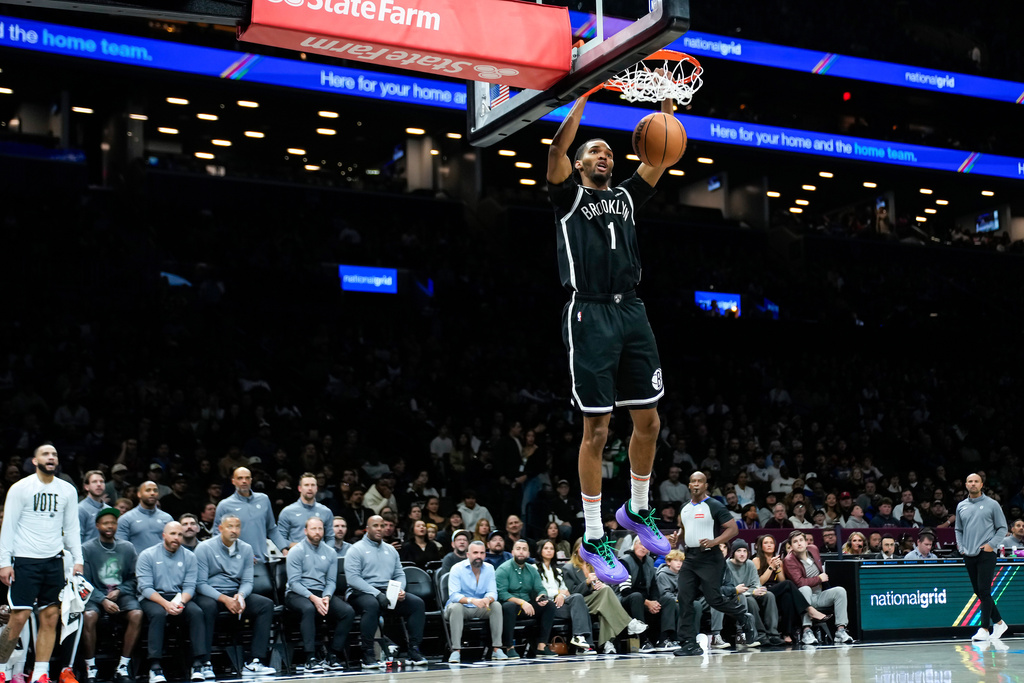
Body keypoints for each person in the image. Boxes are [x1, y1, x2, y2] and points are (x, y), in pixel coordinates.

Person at [546, 91, 678, 583]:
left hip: (632, 310)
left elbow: (658, 159)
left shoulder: (623, 197)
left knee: (649, 421)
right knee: (597, 431)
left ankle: (637, 510)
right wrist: (580, 98)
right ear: (581, 163)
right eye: (596, 152)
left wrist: (665, 114)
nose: (605, 156)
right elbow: (556, 152)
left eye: (610, 152)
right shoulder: (567, 196)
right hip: (590, 314)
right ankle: (596, 535)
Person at [0, 444, 83, 683]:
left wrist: (78, 559)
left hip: (54, 560)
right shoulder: (20, 488)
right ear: (35, 461)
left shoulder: (67, 490)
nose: (51, 457)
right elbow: (8, 527)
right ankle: (1, 666)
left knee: (51, 616)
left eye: (55, 454)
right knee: (19, 617)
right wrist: (4, 562)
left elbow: (72, 529)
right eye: (46, 454)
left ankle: (40, 673)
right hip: (25, 560)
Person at [673, 472, 752, 656]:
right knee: (684, 598)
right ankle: (689, 643)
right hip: (690, 557)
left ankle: (742, 615)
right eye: (693, 481)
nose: (696, 484)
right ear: (689, 485)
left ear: (706, 485)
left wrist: (715, 541)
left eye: (700, 481)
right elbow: (685, 530)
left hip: (710, 557)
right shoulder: (684, 508)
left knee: (713, 599)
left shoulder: (714, 505)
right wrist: (676, 539)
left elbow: (733, 529)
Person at [194, 514, 276, 677]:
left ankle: (255, 662)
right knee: (207, 608)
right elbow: (200, 584)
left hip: (235, 592)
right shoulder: (204, 548)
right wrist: (224, 599)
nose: (234, 530)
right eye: (230, 526)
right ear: (220, 528)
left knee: (266, 605)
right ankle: (205, 663)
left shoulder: (246, 548)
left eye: (237, 527)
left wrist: (241, 595)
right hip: (211, 593)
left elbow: (247, 581)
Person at [344, 516, 427, 668]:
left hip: (387, 592)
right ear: (367, 529)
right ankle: (368, 654)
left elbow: (399, 573)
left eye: (382, 526)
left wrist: (400, 589)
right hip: (361, 592)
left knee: (417, 604)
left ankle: (413, 650)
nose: (379, 529)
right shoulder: (355, 549)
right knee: (372, 605)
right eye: (375, 525)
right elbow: (353, 579)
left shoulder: (391, 550)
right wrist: (377, 594)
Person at [135, 521, 208, 683]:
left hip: (179, 597)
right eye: (173, 534)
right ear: (164, 536)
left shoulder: (190, 556)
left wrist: (180, 602)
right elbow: (145, 588)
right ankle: (155, 666)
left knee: (196, 612)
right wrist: (166, 604)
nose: (177, 538)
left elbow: (190, 586)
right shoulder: (147, 555)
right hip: (153, 597)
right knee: (158, 614)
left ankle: (197, 664)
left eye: (180, 534)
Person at [285, 517, 354, 673]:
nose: (317, 532)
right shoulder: (296, 551)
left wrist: (327, 597)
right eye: (313, 529)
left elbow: (330, 581)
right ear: (305, 531)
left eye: (320, 529)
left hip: (322, 593)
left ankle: (332, 655)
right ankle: (310, 658)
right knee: (308, 609)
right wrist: (314, 599)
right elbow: (294, 582)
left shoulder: (330, 552)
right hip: (296, 593)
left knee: (347, 612)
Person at [81, 507, 142, 683]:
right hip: (94, 595)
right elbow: (83, 582)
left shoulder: (127, 547)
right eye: (106, 523)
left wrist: (120, 590)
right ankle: (90, 667)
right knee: (89, 616)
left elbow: (134, 579)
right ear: (97, 525)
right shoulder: (87, 548)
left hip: (120, 594)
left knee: (137, 614)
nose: (110, 526)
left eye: (113, 523)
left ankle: (123, 666)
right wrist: (102, 600)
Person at [214, 467, 288, 598]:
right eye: (240, 478)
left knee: (267, 601)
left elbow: (271, 528)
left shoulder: (263, 499)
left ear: (251, 480)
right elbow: (217, 537)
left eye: (247, 478)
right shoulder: (224, 505)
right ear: (233, 481)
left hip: (262, 561)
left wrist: (284, 548)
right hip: (236, 564)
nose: (244, 481)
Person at [564, 538, 646, 654]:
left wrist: (600, 585)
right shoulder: (568, 568)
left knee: (605, 598)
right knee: (605, 596)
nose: (585, 551)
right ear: (576, 550)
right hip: (581, 602)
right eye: (582, 548)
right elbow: (573, 593)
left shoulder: (595, 565)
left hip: (599, 600)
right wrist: (587, 583)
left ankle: (608, 644)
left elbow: (608, 584)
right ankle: (628, 623)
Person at [956, 472, 1009, 641]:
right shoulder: (961, 506)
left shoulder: (992, 504)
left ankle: (985, 628)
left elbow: (1002, 528)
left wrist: (991, 545)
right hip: (968, 553)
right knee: (978, 591)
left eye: (976, 481)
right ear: (966, 485)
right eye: (970, 481)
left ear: (981, 485)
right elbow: (958, 529)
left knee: (984, 591)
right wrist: (961, 547)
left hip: (986, 553)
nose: (973, 484)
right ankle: (1000, 623)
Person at [782, 530, 854, 645]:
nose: (799, 543)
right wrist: (819, 579)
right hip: (801, 600)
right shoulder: (789, 560)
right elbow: (800, 582)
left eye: (801, 540)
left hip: (819, 596)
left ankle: (840, 630)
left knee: (840, 591)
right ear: (790, 546)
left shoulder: (813, 549)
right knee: (805, 588)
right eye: (795, 542)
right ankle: (807, 630)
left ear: (806, 542)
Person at [752, 534, 826, 644]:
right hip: (762, 591)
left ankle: (786, 633)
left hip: (776, 590)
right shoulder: (756, 560)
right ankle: (810, 609)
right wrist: (771, 567)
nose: (769, 545)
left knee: (787, 597)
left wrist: (777, 569)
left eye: (771, 543)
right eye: (766, 543)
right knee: (789, 584)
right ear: (760, 546)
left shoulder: (779, 561)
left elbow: (781, 581)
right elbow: (759, 582)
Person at [444, 541, 507, 663]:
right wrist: (472, 600)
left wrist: (487, 599)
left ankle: (496, 649)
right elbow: (453, 595)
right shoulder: (457, 569)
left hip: (481, 607)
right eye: (475, 553)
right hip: (461, 608)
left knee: (496, 605)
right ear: (468, 554)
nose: (479, 556)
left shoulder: (489, 568)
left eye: (482, 553)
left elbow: (493, 592)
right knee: (456, 607)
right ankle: (456, 651)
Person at [495, 540, 558, 658]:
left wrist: (541, 596)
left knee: (549, 605)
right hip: (510, 606)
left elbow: (540, 588)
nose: (521, 552)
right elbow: (502, 593)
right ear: (512, 552)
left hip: (527, 606)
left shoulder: (532, 570)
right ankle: (509, 647)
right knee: (509, 606)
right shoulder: (503, 569)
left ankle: (541, 646)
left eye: (524, 549)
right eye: (518, 549)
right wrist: (521, 602)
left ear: (528, 553)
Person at [535, 540, 596, 654]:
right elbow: (539, 589)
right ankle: (584, 645)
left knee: (578, 600)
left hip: (560, 602)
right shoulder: (534, 568)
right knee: (580, 605)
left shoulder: (557, 570)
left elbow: (567, 591)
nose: (549, 551)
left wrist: (562, 595)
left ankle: (581, 641)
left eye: (551, 548)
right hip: (546, 604)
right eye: (546, 548)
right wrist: (558, 593)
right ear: (540, 551)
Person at [618, 537, 678, 652]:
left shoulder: (650, 561)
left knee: (668, 600)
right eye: (640, 544)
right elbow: (625, 590)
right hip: (627, 600)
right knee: (637, 596)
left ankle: (663, 640)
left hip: (646, 600)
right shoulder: (625, 561)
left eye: (646, 545)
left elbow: (654, 586)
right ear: (634, 545)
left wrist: (654, 602)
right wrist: (647, 602)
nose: (643, 547)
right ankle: (643, 641)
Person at [723, 540, 783, 646]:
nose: (742, 554)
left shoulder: (750, 564)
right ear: (733, 553)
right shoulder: (726, 565)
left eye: (745, 551)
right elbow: (729, 589)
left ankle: (773, 634)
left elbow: (756, 584)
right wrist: (752, 591)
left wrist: (755, 590)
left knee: (769, 595)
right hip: (735, 597)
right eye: (739, 551)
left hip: (749, 593)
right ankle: (760, 634)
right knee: (750, 600)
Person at [275, 472, 334, 548]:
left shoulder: (326, 512)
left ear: (316, 488)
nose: (310, 488)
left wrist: (325, 551)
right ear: (299, 488)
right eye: (306, 485)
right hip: (296, 556)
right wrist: (299, 547)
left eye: (312, 485)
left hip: (319, 556)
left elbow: (330, 538)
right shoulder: (287, 512)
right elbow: (280, 539)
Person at [116, 481, 173, 554]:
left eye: (155, 490)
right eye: (148, 490)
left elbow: (172, 545)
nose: (152, 493)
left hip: (162, 563)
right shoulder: (126, 519)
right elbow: (121, 548)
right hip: (136, 563)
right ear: (139, 494)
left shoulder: (167, 518)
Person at [79, 470, 107, 544]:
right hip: (86, 553)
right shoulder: (80, 509)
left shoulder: (109, 509)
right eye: (94, 482)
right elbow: (77, 538)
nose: (99, 484)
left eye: (101, 481)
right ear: (86, 487)